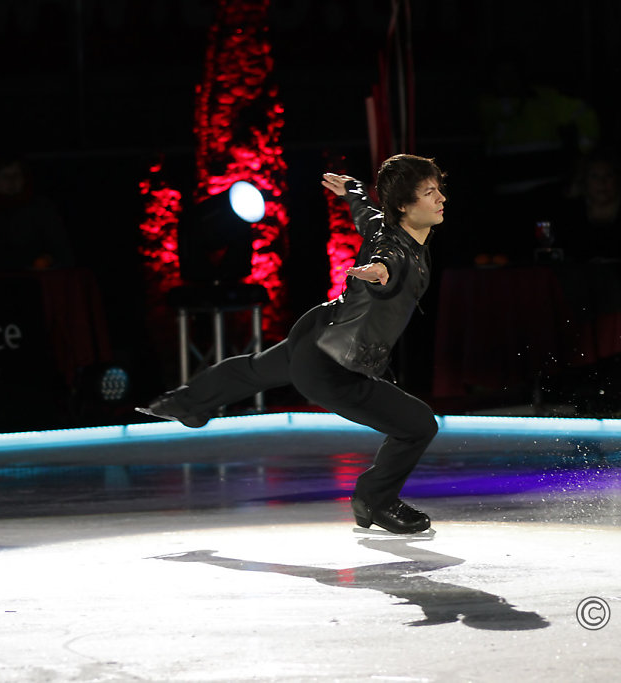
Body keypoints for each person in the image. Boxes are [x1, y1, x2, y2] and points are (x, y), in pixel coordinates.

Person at [139, 154, 447, 534]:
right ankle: (375, 499)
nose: (440, 199)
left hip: (318, 334)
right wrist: (376, 272)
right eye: (429, 193)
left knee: (255, 370)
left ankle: (184, 401)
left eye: (438, 190)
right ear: (404, 205)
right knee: (418, 425)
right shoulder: (396, 250)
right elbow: (387, 262)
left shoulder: (389, 227)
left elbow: (366, 213)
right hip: (332, 366)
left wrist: (350, 189)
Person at [0, 155, 74, 272]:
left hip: (33, 280)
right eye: (5, 176)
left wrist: (47, 259)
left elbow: (61, 249)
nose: (12, 181)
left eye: (17, 175)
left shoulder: (41, 208)